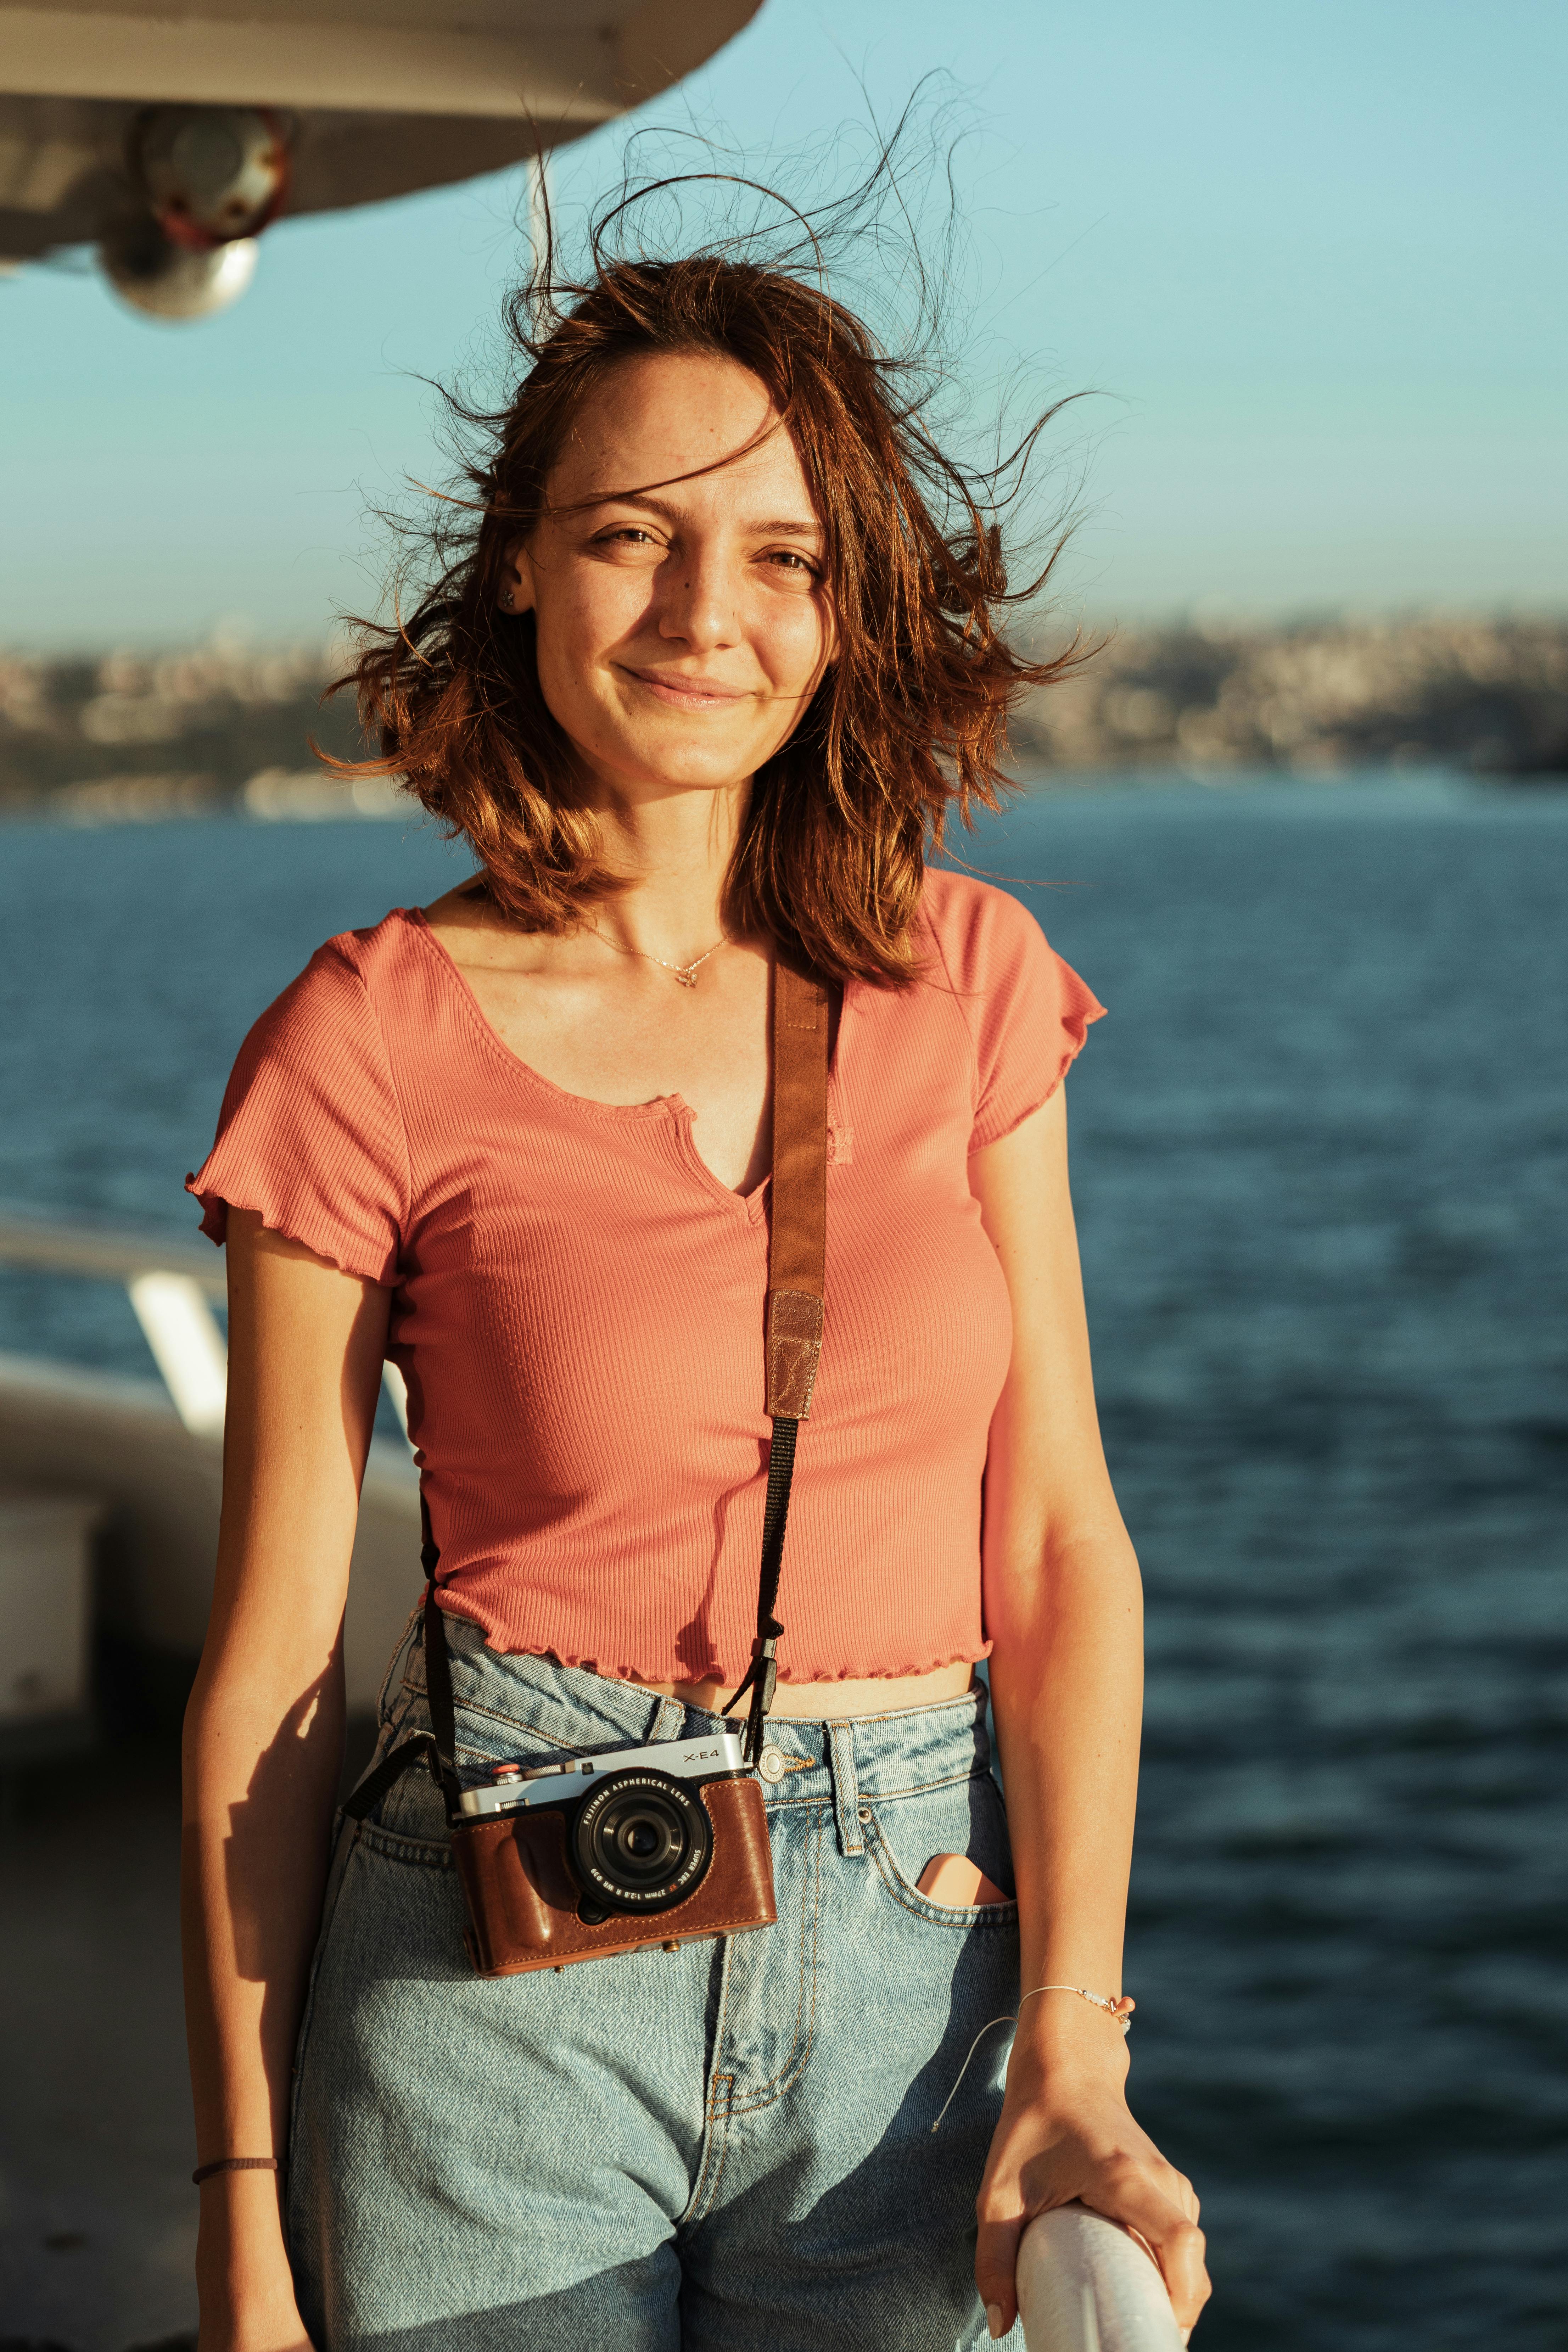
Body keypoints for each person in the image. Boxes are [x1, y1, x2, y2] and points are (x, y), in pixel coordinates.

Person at [180, 235, 1211, 2352]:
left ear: (848, 607)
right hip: (486, 1981)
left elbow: (1056, 1543)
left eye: (776, 555)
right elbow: (275, 1669)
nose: (700, 618)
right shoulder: (362, 1035)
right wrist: (240, 2216)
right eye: (628, 540)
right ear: (521, 576)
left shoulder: (974, 982)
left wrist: (1074, 2046)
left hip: (918, 1981)